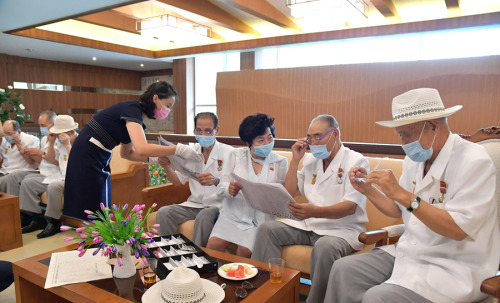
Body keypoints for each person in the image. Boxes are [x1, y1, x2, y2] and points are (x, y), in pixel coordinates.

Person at [327, 88, 500, 303]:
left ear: (433, 126)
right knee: (343, 270)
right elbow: (395, 209)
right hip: (410, 253)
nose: (403, 143)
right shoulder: (416, 160)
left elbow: (458, 229)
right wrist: (367, 189)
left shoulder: (474, 162)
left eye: (405, 134)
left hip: (454, 266)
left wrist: (403, 195)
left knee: (377, 297)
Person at [252, 114, 369, 303]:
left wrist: (313, 211)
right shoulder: (310, 160)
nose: (313, 142)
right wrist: (295, 160)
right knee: (268, 229)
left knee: (324, 247)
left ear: (335, 134)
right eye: (310, 137)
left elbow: (350, 207)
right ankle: (265, 293)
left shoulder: (356, 161)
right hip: (309, 225)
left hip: (341, 230)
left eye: (318, 136)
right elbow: (291, 191)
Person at [64, 81, 203, 220]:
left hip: (99, 154)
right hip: (88, 151)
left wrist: (153, 159)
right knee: (92, 200)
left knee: (97, 200)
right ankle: (93, 235)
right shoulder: (132, 109)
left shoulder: (136, 119)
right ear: (155, 99)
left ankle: (96, 234)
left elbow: (127, 153)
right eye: (168, 106)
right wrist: (178, 149)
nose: (168, 111)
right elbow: (142, 148)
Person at [206, 113, 288, 257]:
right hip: (232, 215)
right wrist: (228, 189)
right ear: (248, 143)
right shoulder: (235, 156)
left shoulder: (280, 162)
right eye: (261, 140)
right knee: (213, 245)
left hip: (259, 221)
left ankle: (239, 279)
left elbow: (283, 196)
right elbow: (221, 187)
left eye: (270, 137)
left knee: (244, 251)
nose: (267, 143)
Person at [155, 112, 234, 247]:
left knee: (204, 216)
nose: (203, 134)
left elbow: (233, 187)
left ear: (217, 130)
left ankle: (198, 260)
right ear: (194, 131)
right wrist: (166, 166)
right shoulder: (191, 151)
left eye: (208, 131)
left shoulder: (230, 153)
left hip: (217, 206)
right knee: (164, 212)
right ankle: (168, 255)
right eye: (199, 131)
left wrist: (216, 180)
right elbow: (177, 181)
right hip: (194, 204)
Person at [20, 115, 79, 238]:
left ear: (72, 132)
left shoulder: (80, 142)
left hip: (75, 178)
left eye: (60, 133)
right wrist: (51, 143)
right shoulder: (59, 142)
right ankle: (35, 218)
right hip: (60, 175)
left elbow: (78, 164)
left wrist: (68, 145)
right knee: (28, 183)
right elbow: (51, 159)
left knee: (53, 186)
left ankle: (54, 222)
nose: (58, 136)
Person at [0, 120, 40, 192]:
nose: (7, 136)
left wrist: (19, 145)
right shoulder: (4, 141)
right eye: (5, 134)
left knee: (8, 179)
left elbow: (31, 162)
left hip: (22, 171)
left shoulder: (31, 140)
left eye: (9, 133)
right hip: (4, 172)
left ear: (18, 132)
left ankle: (12, 202)